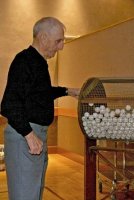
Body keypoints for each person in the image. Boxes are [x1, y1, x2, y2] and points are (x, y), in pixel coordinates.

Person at [0, 17, 79, 200]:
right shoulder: (24, 61)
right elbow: (9, 104)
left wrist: (68, 91)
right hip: (25, 137)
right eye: (58, 41)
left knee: (33, 193)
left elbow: (40, 94)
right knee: (25, 195)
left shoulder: (38, 62)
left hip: (33, 135)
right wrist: (29, 135)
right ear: (43, 38)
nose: (61, 47)